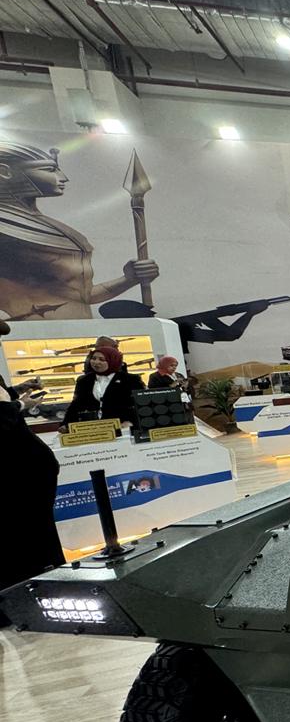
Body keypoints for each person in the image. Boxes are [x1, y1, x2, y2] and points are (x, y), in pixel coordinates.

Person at [0, 142, 158, 320]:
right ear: (5, 172)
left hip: (80, 331)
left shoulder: (58, 231)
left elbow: (81, 297)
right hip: (27, 334)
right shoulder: (5, 232)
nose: (63, 177)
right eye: (49, 170)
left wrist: (130, 278)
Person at [0, 320, 64, 621]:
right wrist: (18, 406)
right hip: (15, 477)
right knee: (22, 538)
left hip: (24, 474)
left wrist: (16, 394)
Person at [60, 345, 145, 428]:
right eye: (93, 358)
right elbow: (75, 406)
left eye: (102, 359)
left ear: (112, 361)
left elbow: (140, 405)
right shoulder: (84, 381)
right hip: (92, 428)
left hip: (122, 427)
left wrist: (130, 421)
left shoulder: (130, 380)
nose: (96, 362)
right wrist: (66, 424)